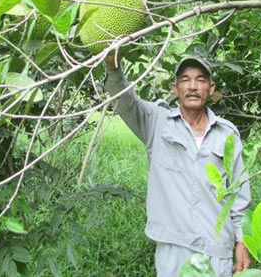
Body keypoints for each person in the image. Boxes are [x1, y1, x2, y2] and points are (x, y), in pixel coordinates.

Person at [104, 54, 252, 277]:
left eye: (200, 80)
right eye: (185, 80)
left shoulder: (227, 133)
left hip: (216, 248)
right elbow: (125, 102)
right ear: (175, 88)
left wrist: (243, 241)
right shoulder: (156, 122)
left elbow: (239, 194)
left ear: (211, 88)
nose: (193, 86)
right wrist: (112, 66)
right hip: (173, 248)